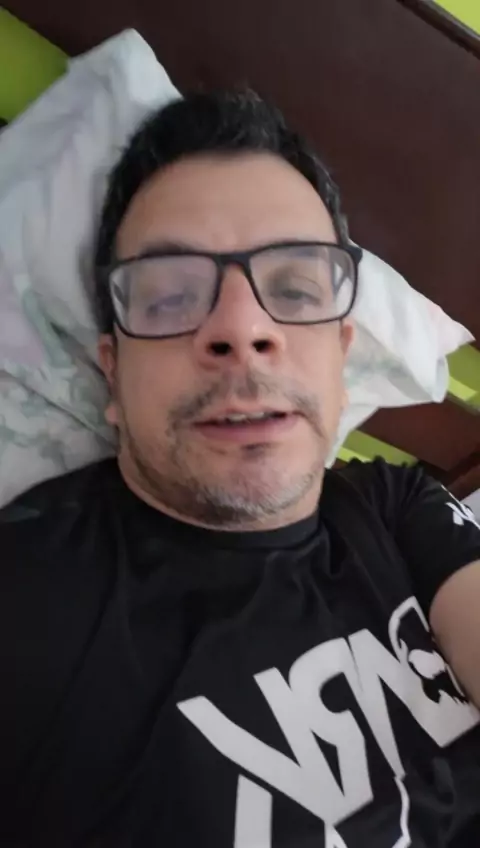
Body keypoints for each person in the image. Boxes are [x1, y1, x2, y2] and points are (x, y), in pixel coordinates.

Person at [1, 90, 479, 848]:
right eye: (170, 297)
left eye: (293, 289)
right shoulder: (26, 596)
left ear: (341, 359)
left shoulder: (397, 503)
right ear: (113, 374)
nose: (242, 327)